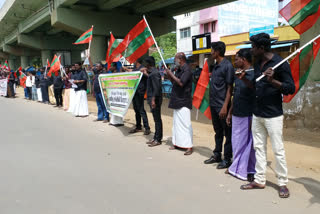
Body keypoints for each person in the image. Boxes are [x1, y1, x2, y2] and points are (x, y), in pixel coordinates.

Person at [240, 33, 295, 199]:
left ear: (261, 48)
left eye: (253, 47)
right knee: (259, 148)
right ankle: (259, 179)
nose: (251, 50)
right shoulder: (258, 63)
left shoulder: (280, 63)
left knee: (278, 150)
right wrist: (245, 80)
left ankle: (282, 183)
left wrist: (273, 81)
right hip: (258, 113)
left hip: (273, 115)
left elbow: (290, 88)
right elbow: (256, 86)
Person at [225, 49, 256, 181]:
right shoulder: (237, 74)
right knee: (238, 142)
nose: (235, 61)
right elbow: (235, 94)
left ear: (243, 59)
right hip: (237, 112)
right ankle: (240, 167)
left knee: (246, 143)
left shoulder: (254, 75)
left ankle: (241, 169)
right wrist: (230, 112)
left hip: (247, 114)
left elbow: (255, 93)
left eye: (236, 59)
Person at [204, 41, 234, 169]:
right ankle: (217, 154)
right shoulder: (216, 65)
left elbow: (229, 88)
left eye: (212, 50)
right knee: (218, 131)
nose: (211, 52)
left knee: (228, 133)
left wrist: (225, 106)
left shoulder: (228, 66)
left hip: (223, 105)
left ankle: (227, 159)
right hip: (214, 104)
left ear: (217, 52)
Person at [166, 52, 193, 155]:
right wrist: (169, 75)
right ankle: (177, 143)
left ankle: (189, 146)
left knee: (185, 124)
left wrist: (171, 74)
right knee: (176, 124)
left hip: (184, 100)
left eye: (175, 59)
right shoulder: (179, 70)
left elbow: (181, 83)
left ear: (180, 59)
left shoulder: (187, 69)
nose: (174, 61)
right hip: (177, 99)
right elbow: (174, 82)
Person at [125, 58, 151, 135]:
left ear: (136, 61)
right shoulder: (136, 69)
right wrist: (125, 69)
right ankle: (138, 126)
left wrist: (139, 71)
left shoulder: (142, 68)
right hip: (134, 91)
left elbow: (145, 70)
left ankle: (147, 128)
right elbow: (131, 71)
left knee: (141, 109)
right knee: (136, 109)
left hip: (140, 91)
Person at [142, 56, 163, 147]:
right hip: (152, 99)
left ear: (148, 64)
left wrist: (153, 100)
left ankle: (158, 139)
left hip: (155, 100)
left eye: (145, 63)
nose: (144, 65)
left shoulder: (155, 73)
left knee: (157, 119)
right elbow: (151, 79)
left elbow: (157, 88)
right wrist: (145, 73)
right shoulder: (153, 73)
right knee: (156, 119)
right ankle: (155, 137)